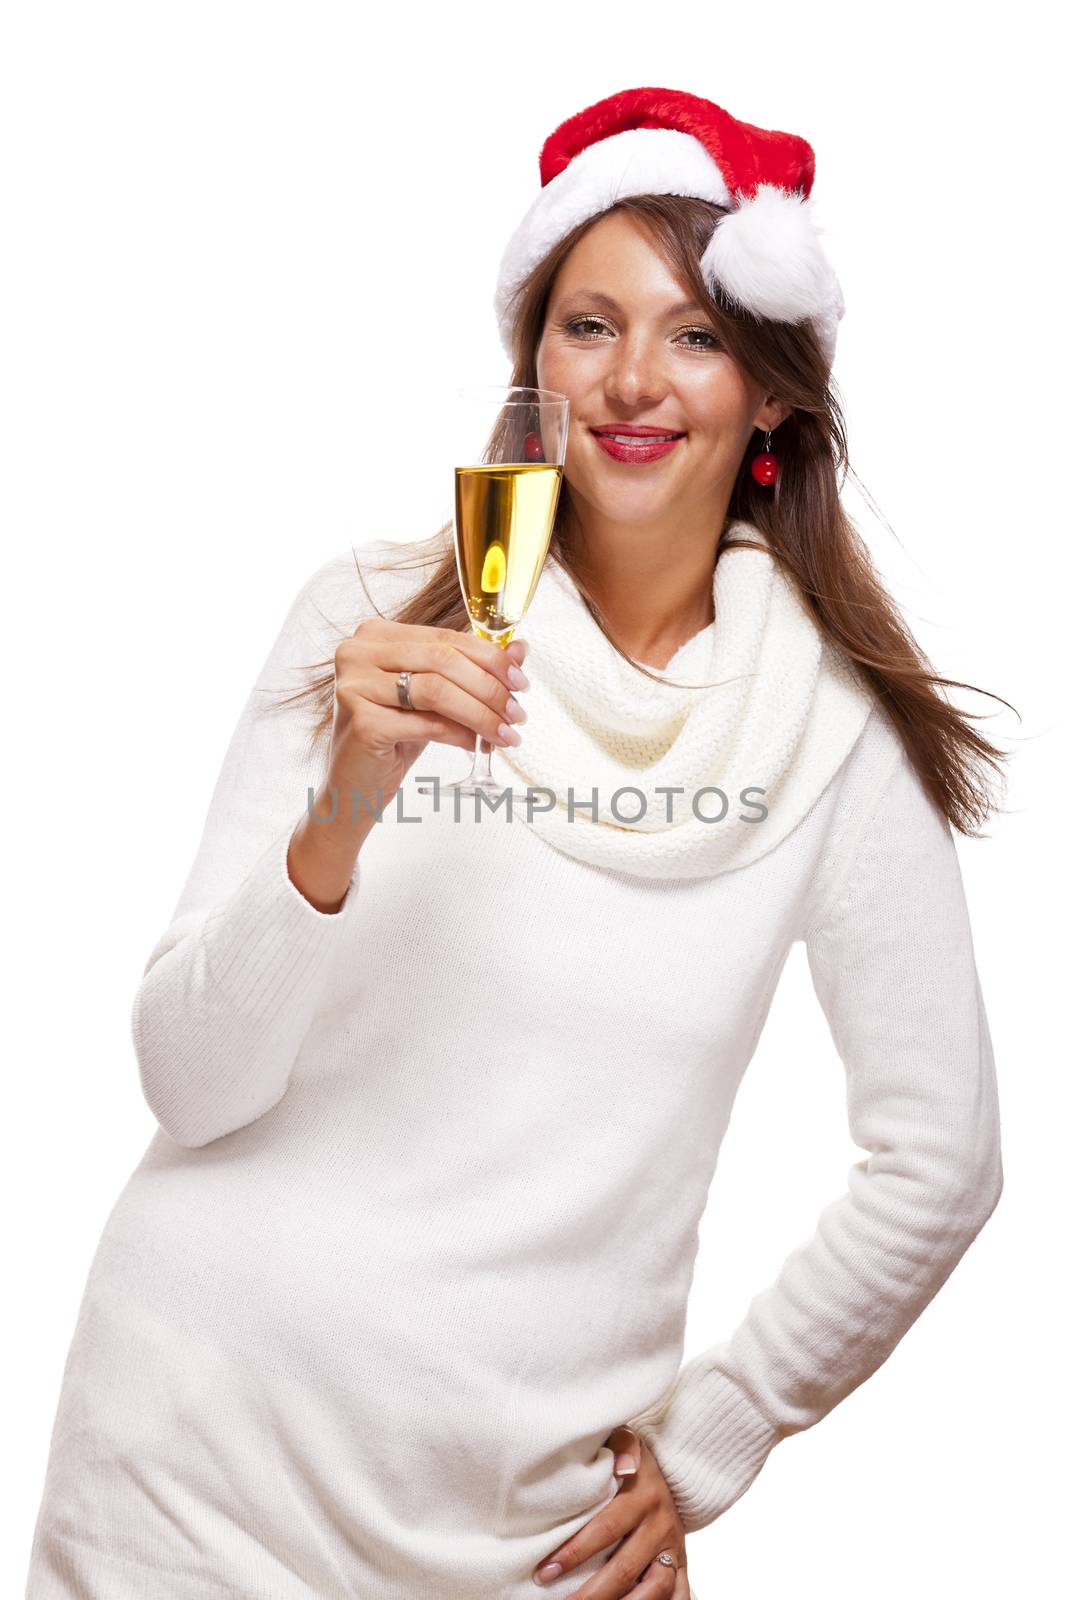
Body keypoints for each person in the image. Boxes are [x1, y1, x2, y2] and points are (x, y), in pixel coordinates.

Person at [24, 86, 1008, 1600]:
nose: (632, 380)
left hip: (509, 1540)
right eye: (586, 324)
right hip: (185, 1477)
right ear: (529, 365)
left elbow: (943, 1162)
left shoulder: (829, 737)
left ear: (773, 397)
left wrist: (714, 1438)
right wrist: (350, 793)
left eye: (695, 335)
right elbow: (186, 1085)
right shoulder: (374, 614)